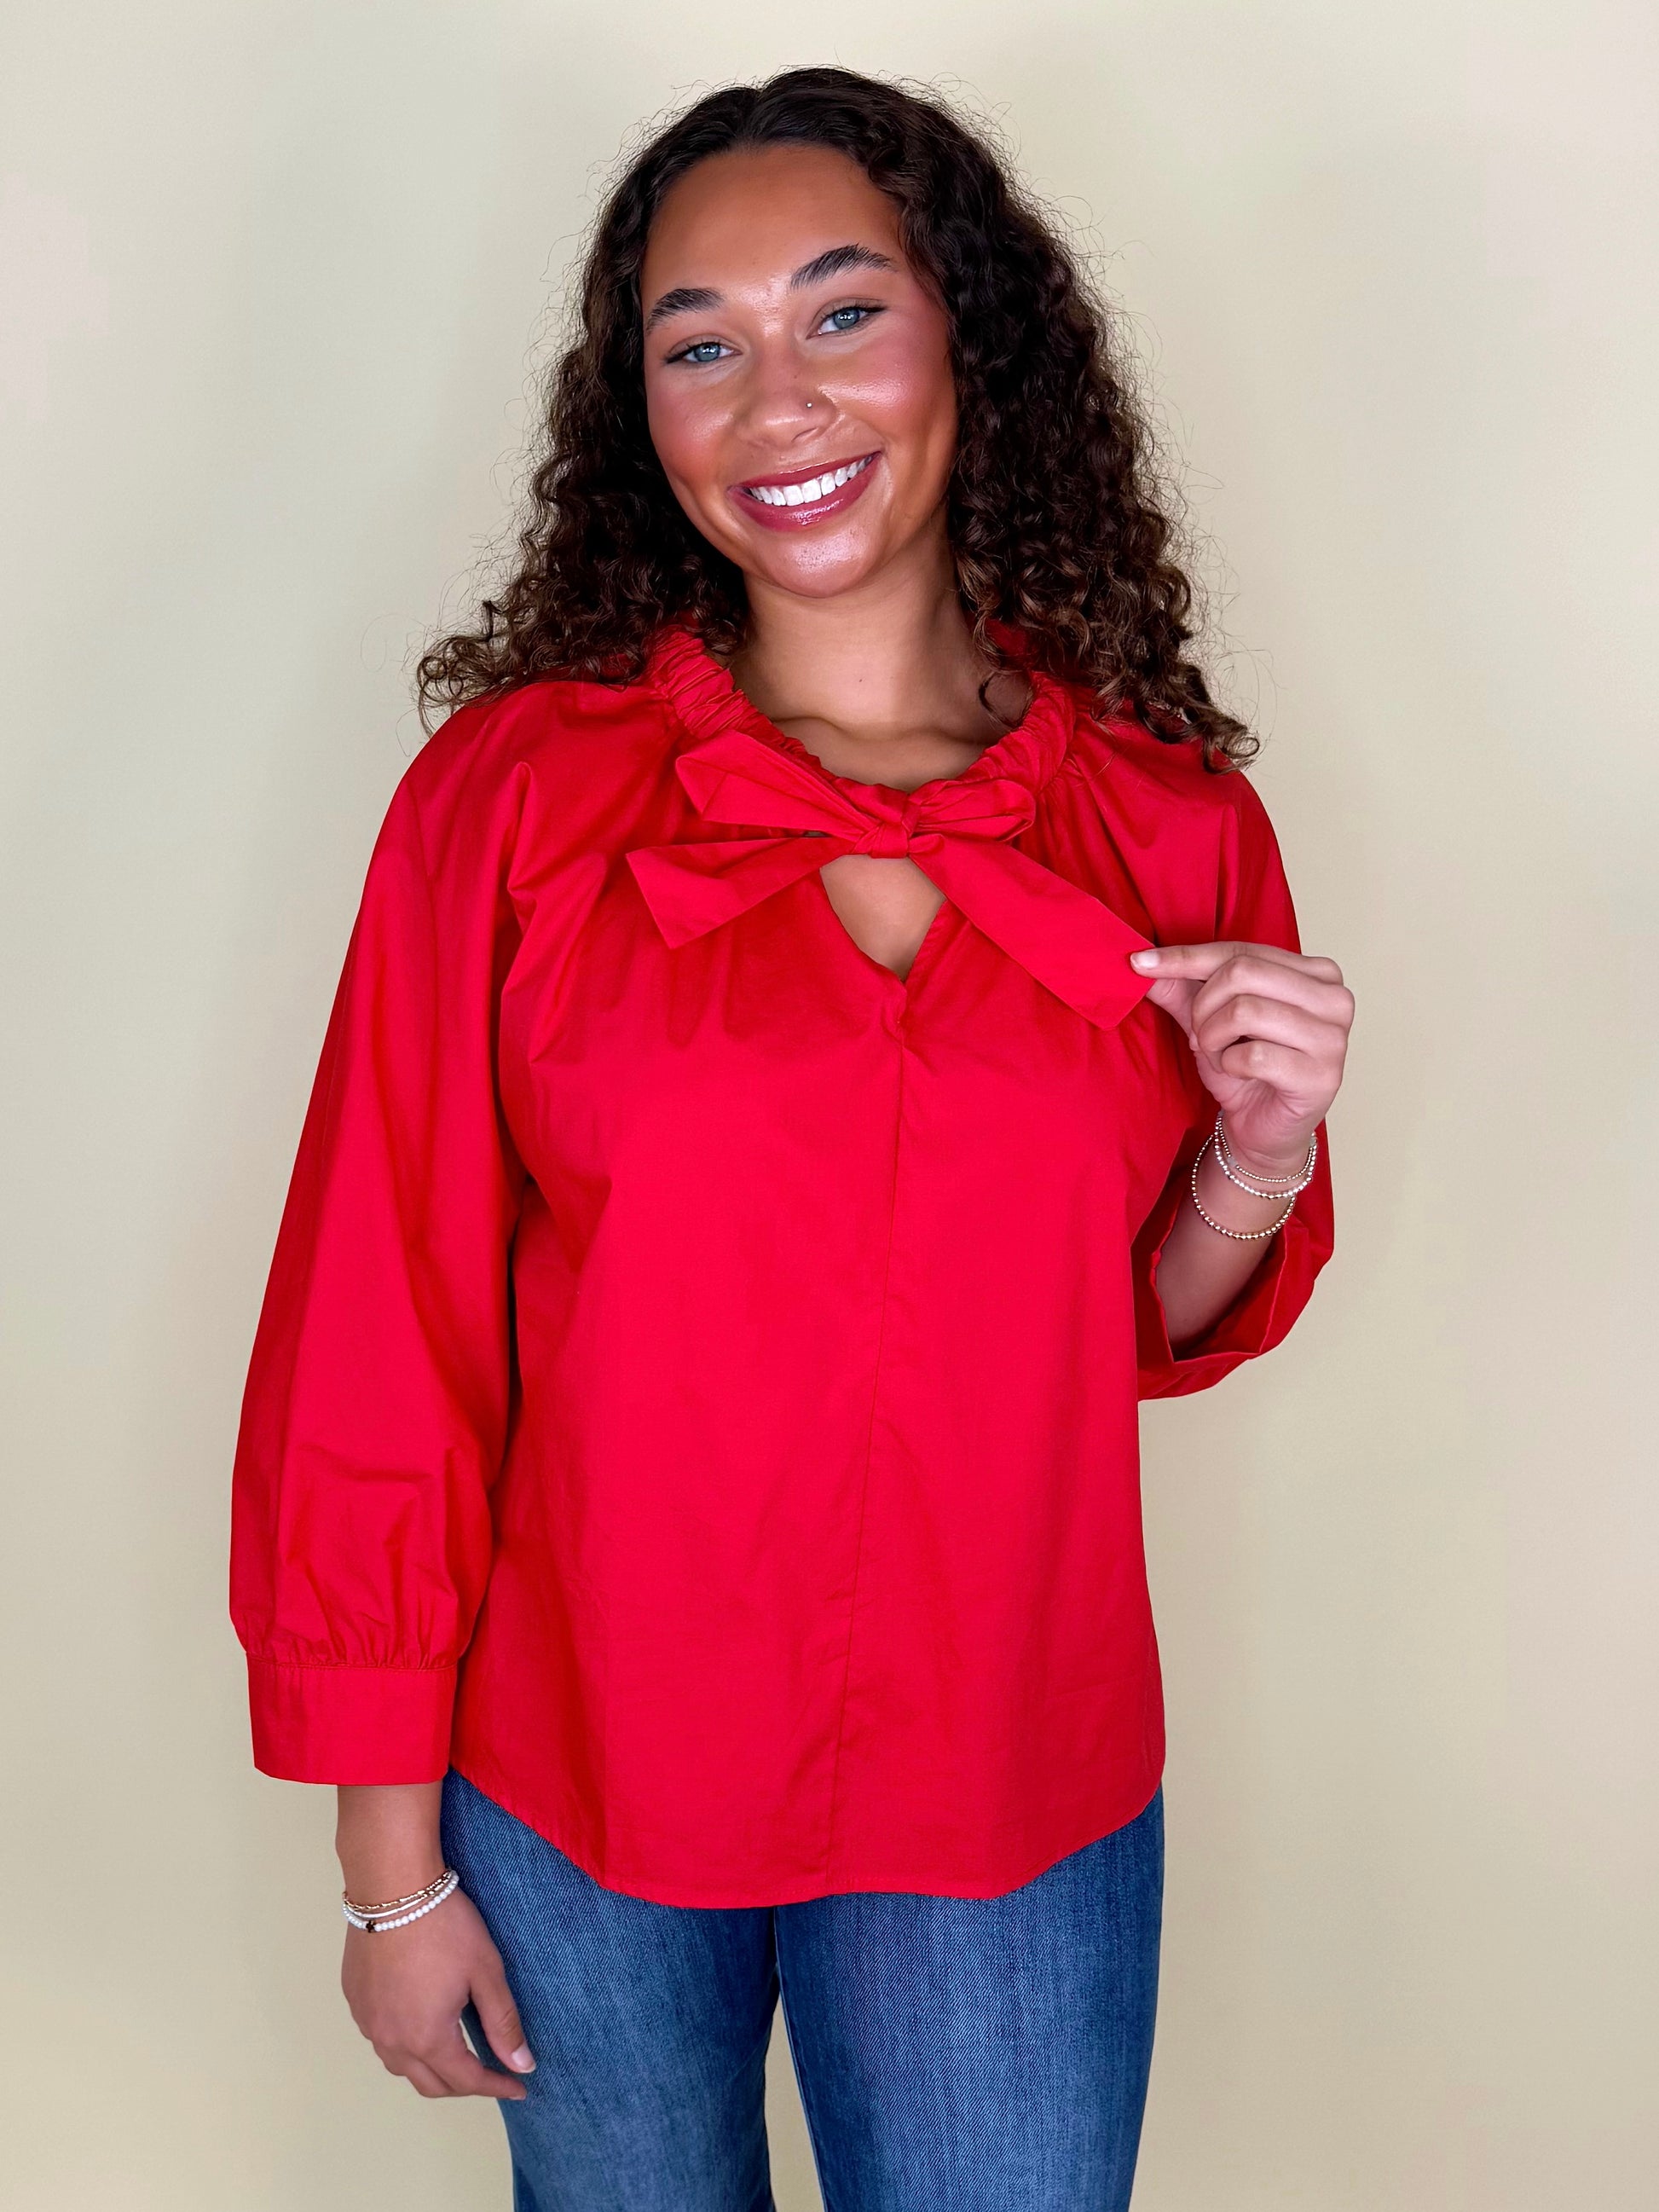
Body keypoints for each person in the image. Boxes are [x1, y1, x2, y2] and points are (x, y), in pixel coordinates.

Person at [230, 64, 1352, 2212]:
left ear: (968, 342)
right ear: (637, 413)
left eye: (843, 313)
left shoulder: (1170, 825)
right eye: (700, 345)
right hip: (577, 1773)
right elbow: (382, 1323)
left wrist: (1260, 1150)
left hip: (1006, 1769)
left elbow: (1120, 1324)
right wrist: (391, 1867)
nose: (777, 402)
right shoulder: (511, 803)